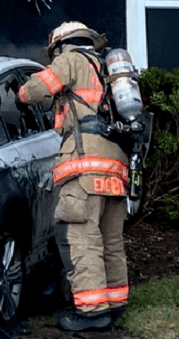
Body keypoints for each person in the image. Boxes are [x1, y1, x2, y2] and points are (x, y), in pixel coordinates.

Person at [18, 21, 129, 332]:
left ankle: (93, 313)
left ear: (59, 45)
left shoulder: (70, 60)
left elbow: (35, 90)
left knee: (81, 239)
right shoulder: (108, 68)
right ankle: (115, 303)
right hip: (115, 164)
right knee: (110, 240)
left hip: (84, 165)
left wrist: (20, 94)